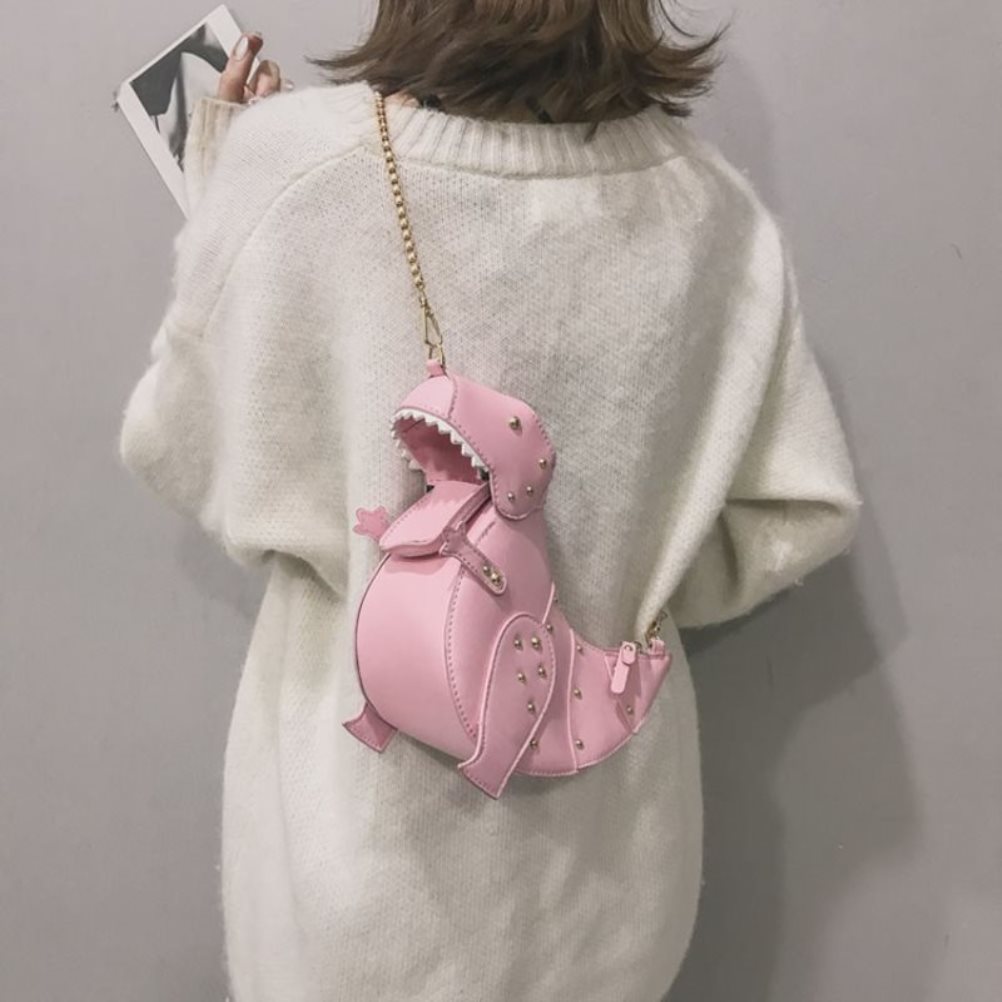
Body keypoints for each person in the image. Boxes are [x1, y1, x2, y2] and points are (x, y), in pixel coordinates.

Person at [117, 5, 863, 1001]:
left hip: (359, 882)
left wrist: (233, 199)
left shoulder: (293, 170)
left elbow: (176, 443)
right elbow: (796, 508)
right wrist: (623, 576)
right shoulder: (715, 213)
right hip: (614, 892)